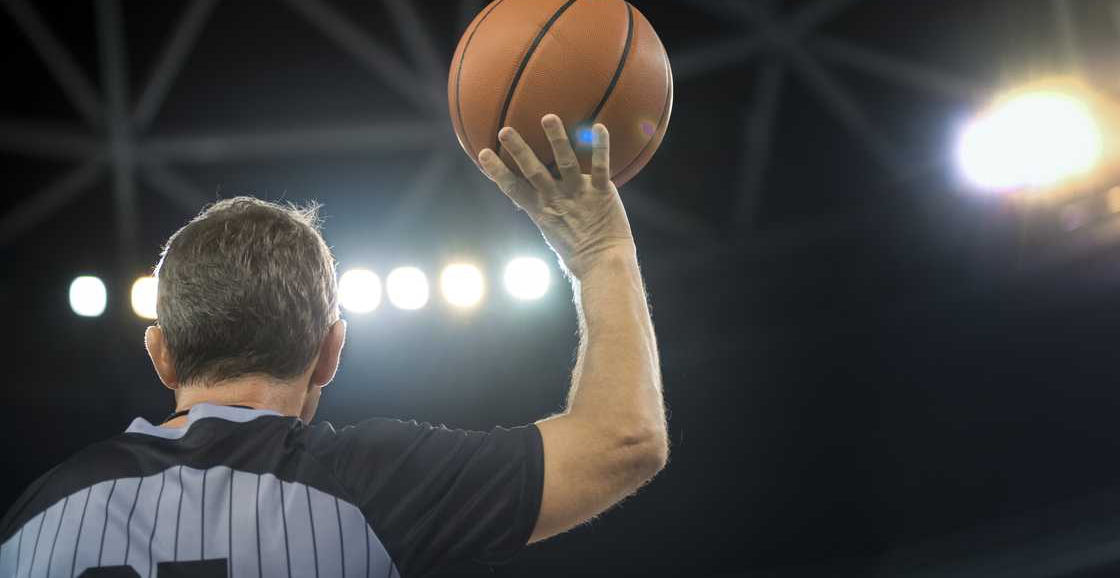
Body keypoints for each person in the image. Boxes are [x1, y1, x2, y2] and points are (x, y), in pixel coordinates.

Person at [0, 115, 668, 578]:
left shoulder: (37, 515)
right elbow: (625, 440)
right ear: (330, 352)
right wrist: (600, 250)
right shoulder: (373, 483)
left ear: (161, 354)